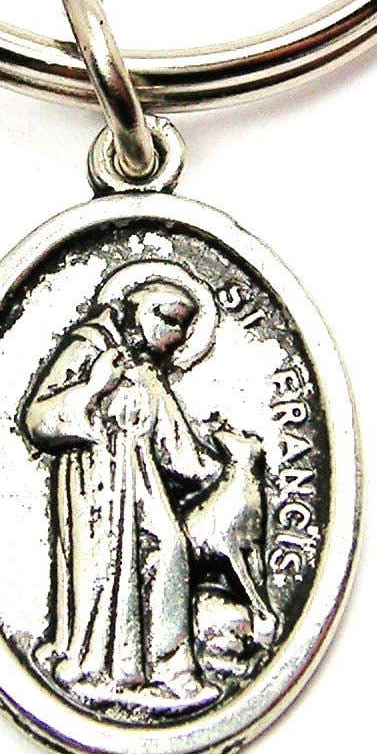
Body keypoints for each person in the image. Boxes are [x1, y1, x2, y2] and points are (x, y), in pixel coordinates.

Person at [20, 268, 225, 713]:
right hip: (94, 485)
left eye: (185, 328)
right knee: (105, 564)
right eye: (171, 321)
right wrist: (94, 388)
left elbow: (175, 441)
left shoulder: (148, 369)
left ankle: (171, 670)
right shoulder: (87, 345)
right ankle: (96, 666)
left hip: (141, 478)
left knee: (169, 545)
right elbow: (37, 419)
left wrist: (219, 470)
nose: (177, 337)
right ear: (142, 312)